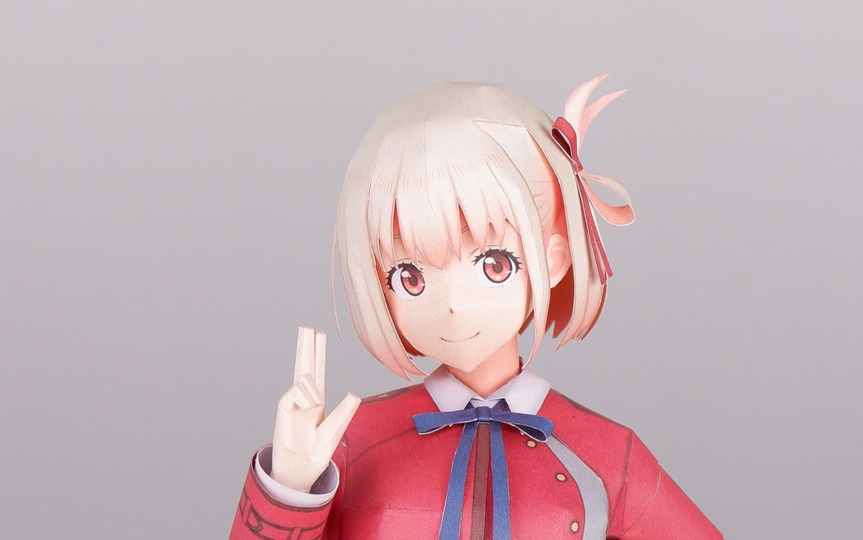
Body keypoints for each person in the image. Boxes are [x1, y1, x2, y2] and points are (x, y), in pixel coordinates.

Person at [229, 74, 722, 539]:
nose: (452, 304)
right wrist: (288, 488)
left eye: (494, 264)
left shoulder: (606, 451)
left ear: (552, 259)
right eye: (410, 276)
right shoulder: (351, 443)